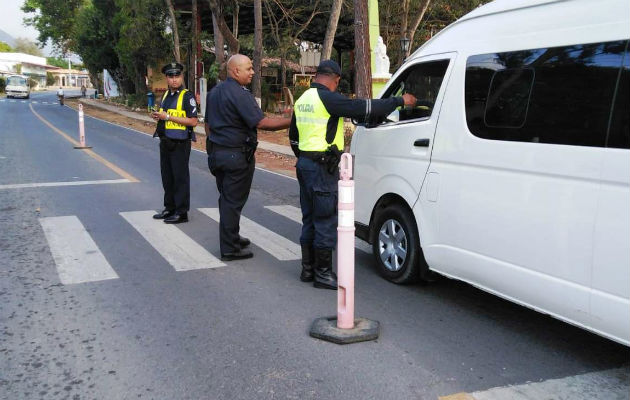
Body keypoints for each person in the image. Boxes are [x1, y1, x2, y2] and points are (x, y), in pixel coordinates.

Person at [289, 59, 416, 289]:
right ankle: (323, 274)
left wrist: (307, 157)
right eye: (337, 83)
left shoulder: (303, 100)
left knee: (309, 219)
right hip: (321, 169)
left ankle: (307, 270)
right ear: (335, 79)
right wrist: (399, 101)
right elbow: (364, 108)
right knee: (325, 220)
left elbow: (294, 138)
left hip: (305, 165)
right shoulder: (328, 98)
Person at [205, 54, 291, 261]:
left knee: (226, 198)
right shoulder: (240, 94)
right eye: (249, 69)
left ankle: (232, 237)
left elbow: (207, 124)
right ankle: (229, 248)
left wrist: (218, 143)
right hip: (236, 156)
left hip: (217, 153)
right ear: (235, 71)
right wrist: (291, 120)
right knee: (232, 202)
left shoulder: (214, 92)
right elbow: (261, 122)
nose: (252, 72)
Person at [151, 62, 198, 224]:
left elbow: (193, 122)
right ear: (166, 78)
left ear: (181, 77)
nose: (174, 80)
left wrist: (168, 117)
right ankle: (169, 208)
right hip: (165, 141)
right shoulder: (165, 95)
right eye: (170, 76)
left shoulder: (187, 96)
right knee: (167, 177)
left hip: (180, 143)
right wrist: (159, 116)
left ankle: (181, 212)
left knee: (180, 178)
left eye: (177, 76)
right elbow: (166, 115)